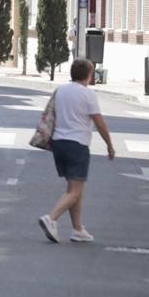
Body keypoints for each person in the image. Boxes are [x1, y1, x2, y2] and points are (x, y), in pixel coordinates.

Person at [38, 59, 114, 244]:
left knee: (74, 188)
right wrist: (109, 145)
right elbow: (99, 122)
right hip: (77, 144)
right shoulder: (88, 95)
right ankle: (51, 218)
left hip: (58, 143)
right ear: (88, 74)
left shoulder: (61, 90)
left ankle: (78, 229)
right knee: (75, 190)